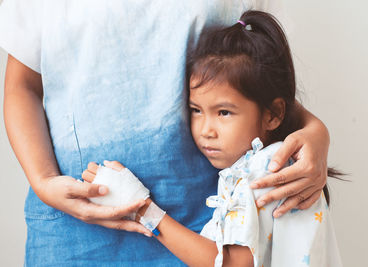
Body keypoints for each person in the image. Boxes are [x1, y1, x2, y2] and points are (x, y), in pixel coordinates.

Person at [1, 1, 330, 265]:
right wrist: (43, 181)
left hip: (207, 219)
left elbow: (253, 76)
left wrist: (315, 131)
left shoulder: (252, 181)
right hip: (75, 231)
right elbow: (22, 86)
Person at [83, 11, 342, 267]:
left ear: (273, 115)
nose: (206, 129)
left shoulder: (263, 170)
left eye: (224, 112)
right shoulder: (274, 163)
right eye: (196, 110)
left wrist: (142, 209)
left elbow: (230, 264)